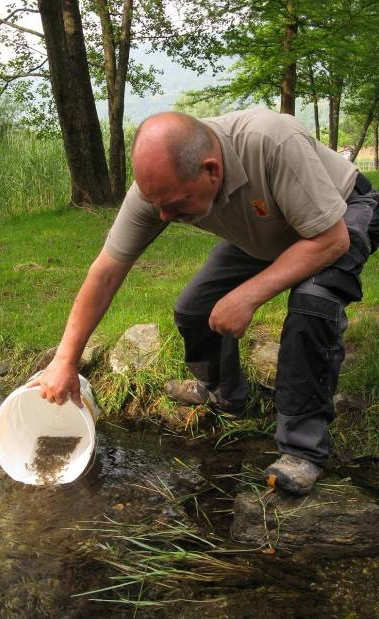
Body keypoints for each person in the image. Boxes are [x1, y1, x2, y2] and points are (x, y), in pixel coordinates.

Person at [29, 109, 379, 496]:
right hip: (267, 230)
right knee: (194, 309)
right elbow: (105, 272)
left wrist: (248, 295)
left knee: (312, 305)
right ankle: (225, 395)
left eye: (176, 206)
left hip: (343, 212)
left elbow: (330, 241)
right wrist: (65, 359)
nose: (164, 216)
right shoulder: (159, 189)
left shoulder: (271, 142)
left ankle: (302, 450)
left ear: (212, 170)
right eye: (157, 205)